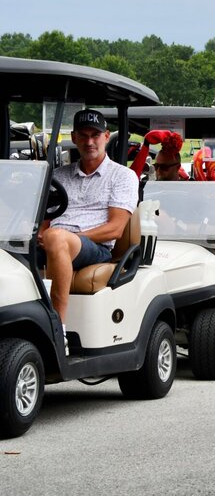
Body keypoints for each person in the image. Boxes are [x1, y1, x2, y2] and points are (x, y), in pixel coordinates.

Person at [39, 109, 139, 353]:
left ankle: (57, 329)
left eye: (95, 135)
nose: (89, 141)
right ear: (74, 137)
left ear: (106, 136)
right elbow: (44, 220)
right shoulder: (58, 176)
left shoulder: (122, 176)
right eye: (83, 135)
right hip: (56, 242)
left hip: (95, 249)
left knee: (57, 239)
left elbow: (115, 229)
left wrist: (67, 238)